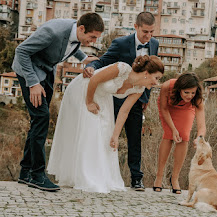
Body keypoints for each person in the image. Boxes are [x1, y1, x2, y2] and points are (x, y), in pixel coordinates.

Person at [12, 13, 104, 192]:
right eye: (92, 37)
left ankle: (25, 172)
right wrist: (33, 83)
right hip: (29, 71)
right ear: (81, 28)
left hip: (46, 71)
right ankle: (37, 175)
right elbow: (21, 51)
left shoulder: (75, 32)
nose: (92, 41)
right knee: (42, 117)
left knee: (37, 120)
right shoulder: (53, 32)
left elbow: (70, 45)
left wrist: (84, 59)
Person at [47, 55, 164, 193]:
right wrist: (89, 102)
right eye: (156, 78)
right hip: (84, 90)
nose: (157, 83)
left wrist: (115, 135)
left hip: (103, 99)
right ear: (146, 73)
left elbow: (124, 111)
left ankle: (95, 175)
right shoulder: (122, 68)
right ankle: (84, 177)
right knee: (89, 132)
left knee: (104, 137)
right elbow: (94, 79)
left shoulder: (139, 89)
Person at [84, 12, 158, 191]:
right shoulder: (120, 43)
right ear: (136, 27)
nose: (148, 36)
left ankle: (136, 178)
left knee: (135, 138)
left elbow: (150, 72)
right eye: (145, 32)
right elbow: (104, 62)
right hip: (113, 97)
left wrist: (145, 98)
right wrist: (89, 67)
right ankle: (104, 174)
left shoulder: (154, 44)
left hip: (136, 96)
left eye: (151, 32)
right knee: (109, 134)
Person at [153, 73, 206, 194]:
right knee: (168, 135)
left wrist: (200, 137)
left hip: (186, 109)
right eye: (186, 92)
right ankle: (159, 177)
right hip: (168, 107)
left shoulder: (196, 97)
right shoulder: (168, 86)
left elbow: (202, 125)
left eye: (192, 93)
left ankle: (175, 178)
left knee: (184, 136)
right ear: (180, 89)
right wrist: (173, 129)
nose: (190, 96)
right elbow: (164, 109)